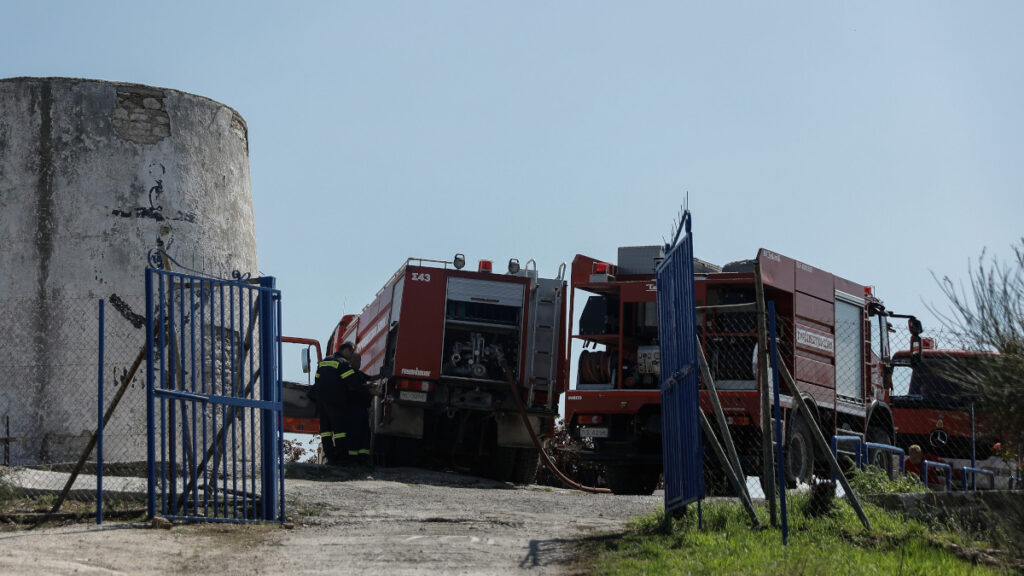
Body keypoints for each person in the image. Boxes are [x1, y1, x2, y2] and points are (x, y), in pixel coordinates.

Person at [338, 341, 376, 466]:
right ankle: (352, 459)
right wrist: (368, 388)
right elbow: (354, 387)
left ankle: (362, 458)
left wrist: (383, 375)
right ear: (351, 360)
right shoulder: (349, 373)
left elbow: (370, 378)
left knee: (365, 433)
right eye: (357, 361)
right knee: (353, 434)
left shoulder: (359, 374)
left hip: (362, 409)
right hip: (352, 409)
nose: (359, 363)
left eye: (360, 361)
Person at [310, 350, 349, 465]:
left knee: (325, 431)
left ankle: (330, 457)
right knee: (339, 431)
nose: (351, 357)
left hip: (322, 401)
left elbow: (317, 379)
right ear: (346, 351)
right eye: (351, 353)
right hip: (335, 401)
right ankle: (342, 458)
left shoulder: (323, 362)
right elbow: (351, 381)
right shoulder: (343, 362)